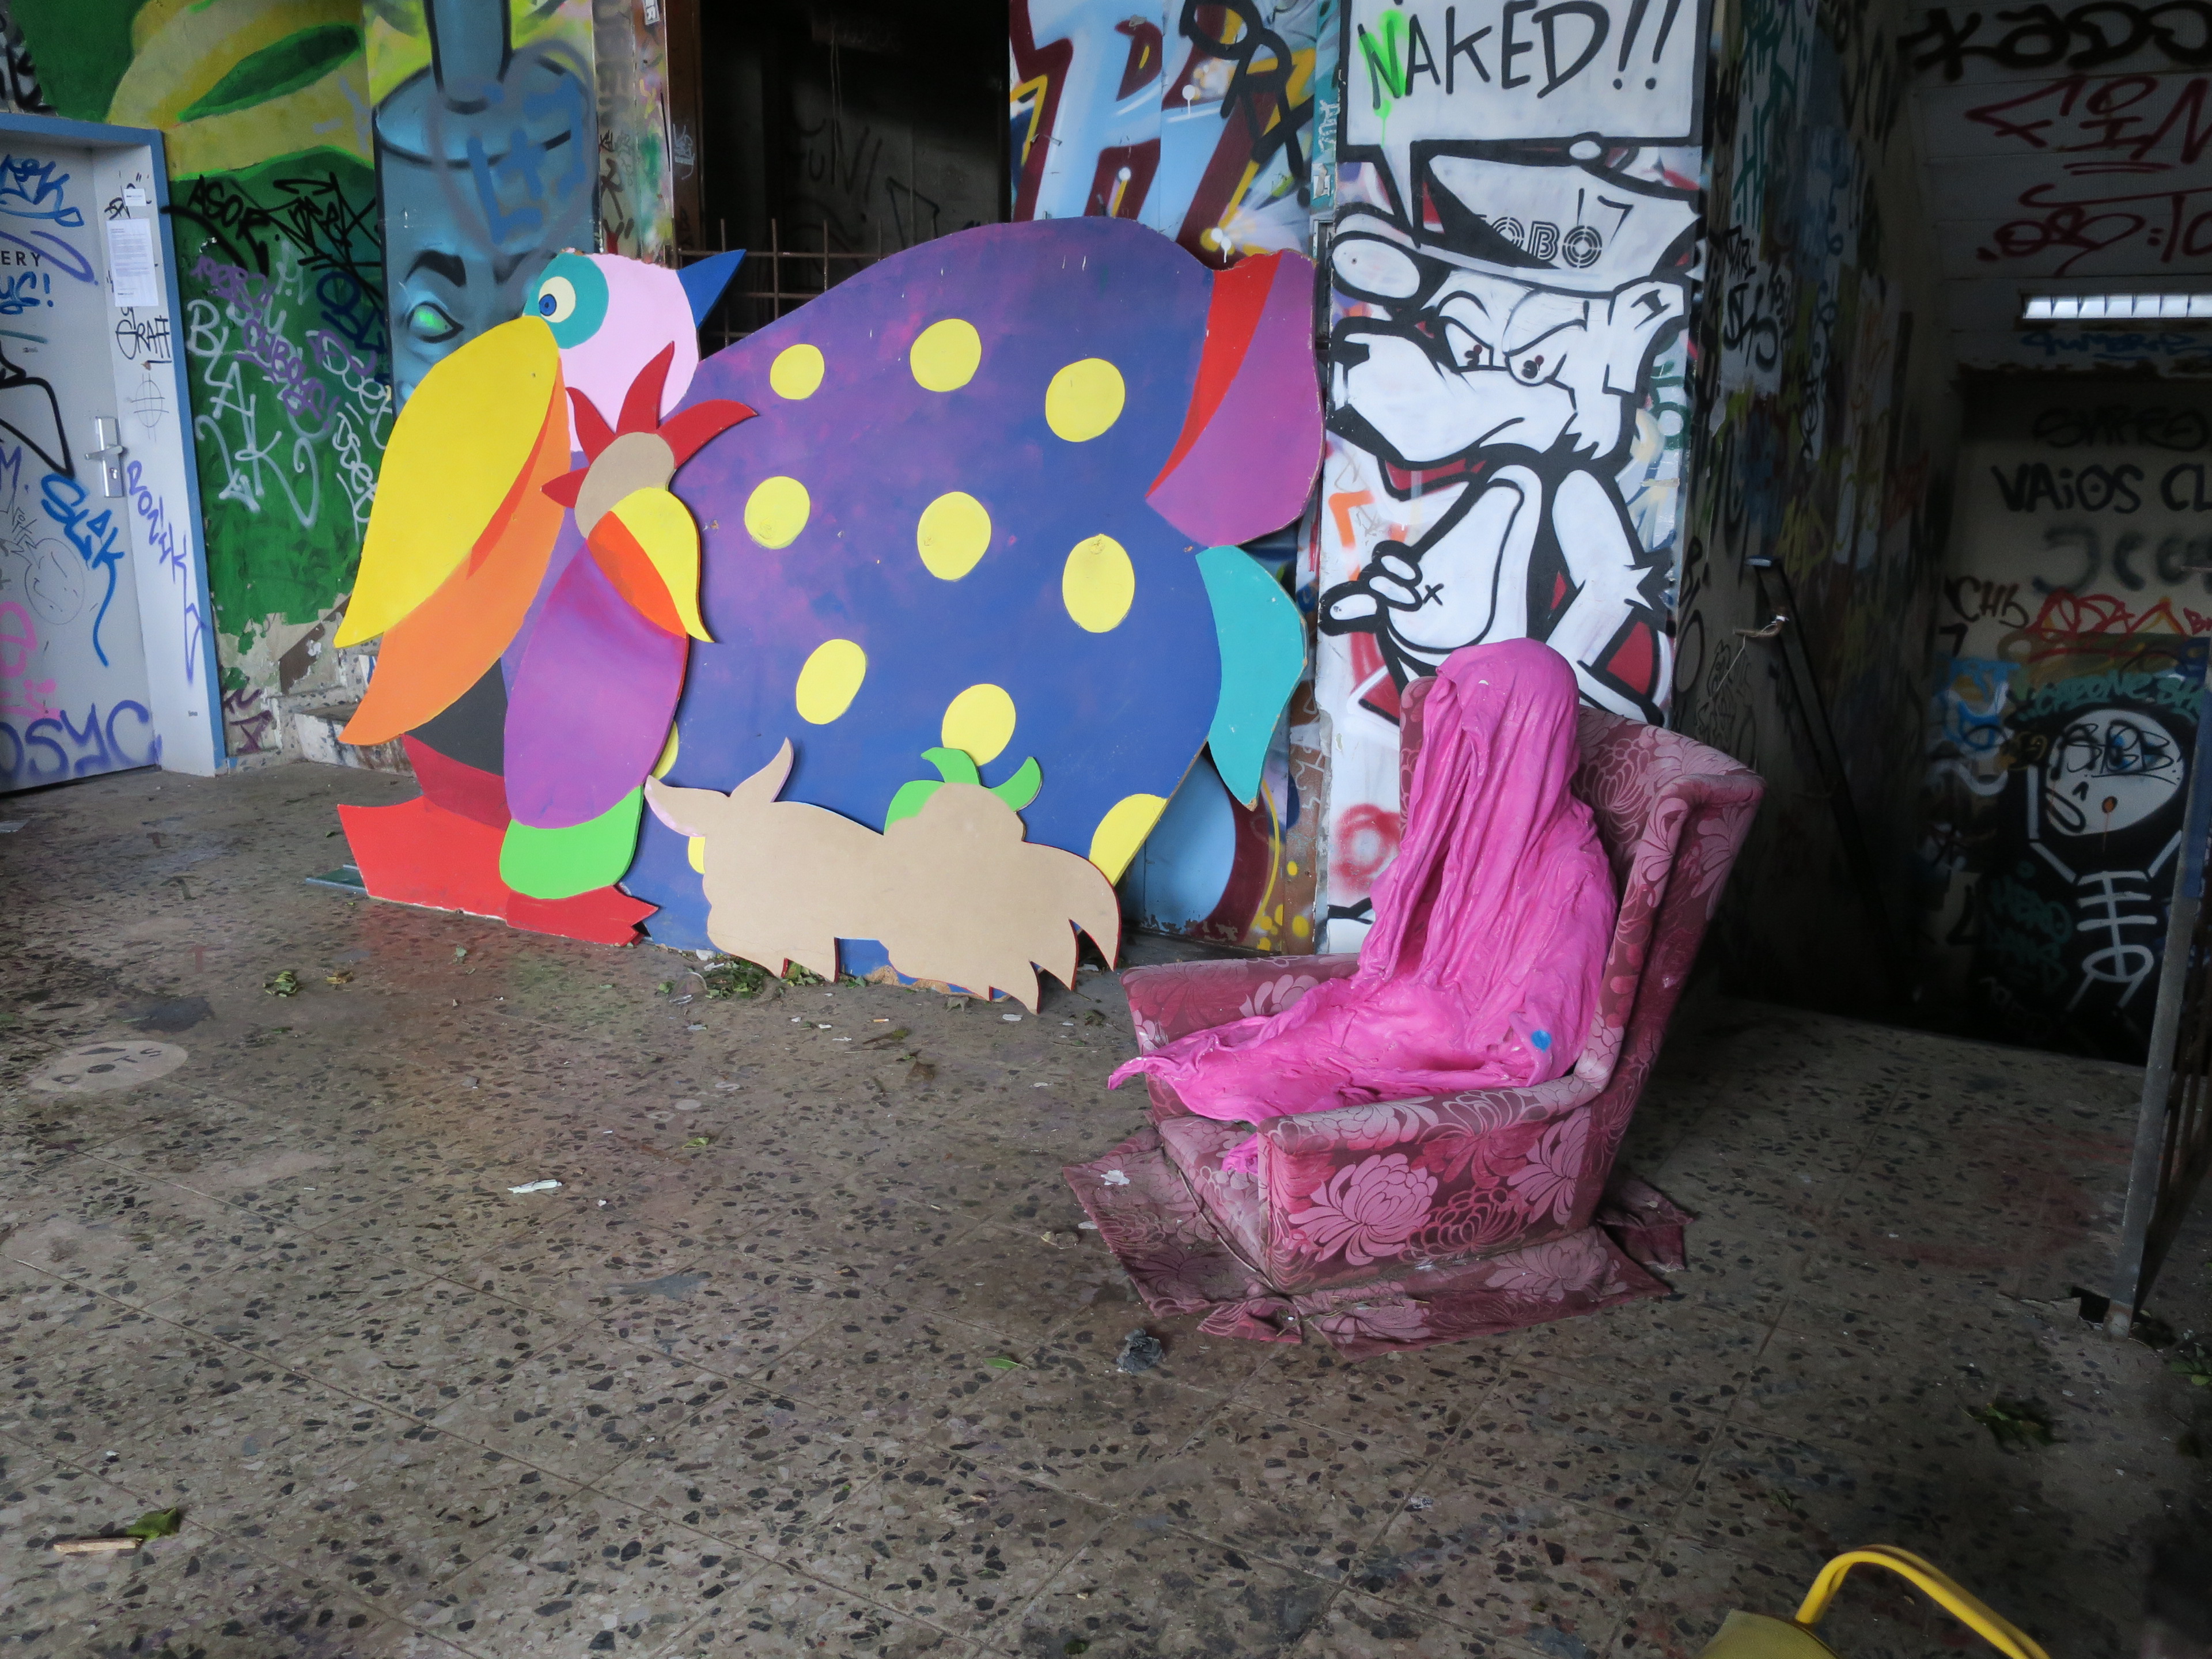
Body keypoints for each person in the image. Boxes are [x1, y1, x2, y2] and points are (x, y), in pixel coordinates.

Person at [1110, 637, 1616, 1168]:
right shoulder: (1465, 821)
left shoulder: (1575, 867)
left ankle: (1309, 1131)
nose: (1458, 748)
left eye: (1477, 731)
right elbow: (1406, 920)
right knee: (1267, 1061)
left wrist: (1484, 1034)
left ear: (1530, 733)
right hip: (1395, 1005)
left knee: (1333, 1064)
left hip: (1458, 1036)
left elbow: (1552, 1017)